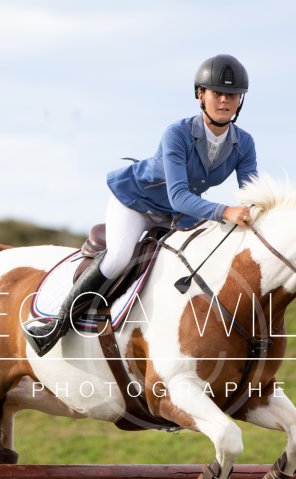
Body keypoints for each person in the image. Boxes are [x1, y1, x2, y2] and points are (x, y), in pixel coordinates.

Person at [25, 54, 259, 356]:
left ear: (241, 101)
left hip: (178, 215)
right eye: (217, 93)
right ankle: (56, 324)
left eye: (232, 94)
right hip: (136, 203)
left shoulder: (244, 143)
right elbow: (179, 195)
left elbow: (251, 194)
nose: (225, 100)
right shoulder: (177, 134)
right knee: (119, 257)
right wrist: (224, 212)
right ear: (200, 95)